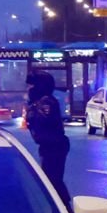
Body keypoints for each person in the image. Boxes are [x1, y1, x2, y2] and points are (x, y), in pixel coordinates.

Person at [23, 71, 72, 202]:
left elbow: (45, 119)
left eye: (32, 85)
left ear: (39, 86)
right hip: (48, 145)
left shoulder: (46, 102)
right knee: (51, 179)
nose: (29, 88)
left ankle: (65, 208)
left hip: (55, 145)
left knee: (53, 179)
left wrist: (32, 108)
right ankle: (61, 205)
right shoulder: (38, 101)